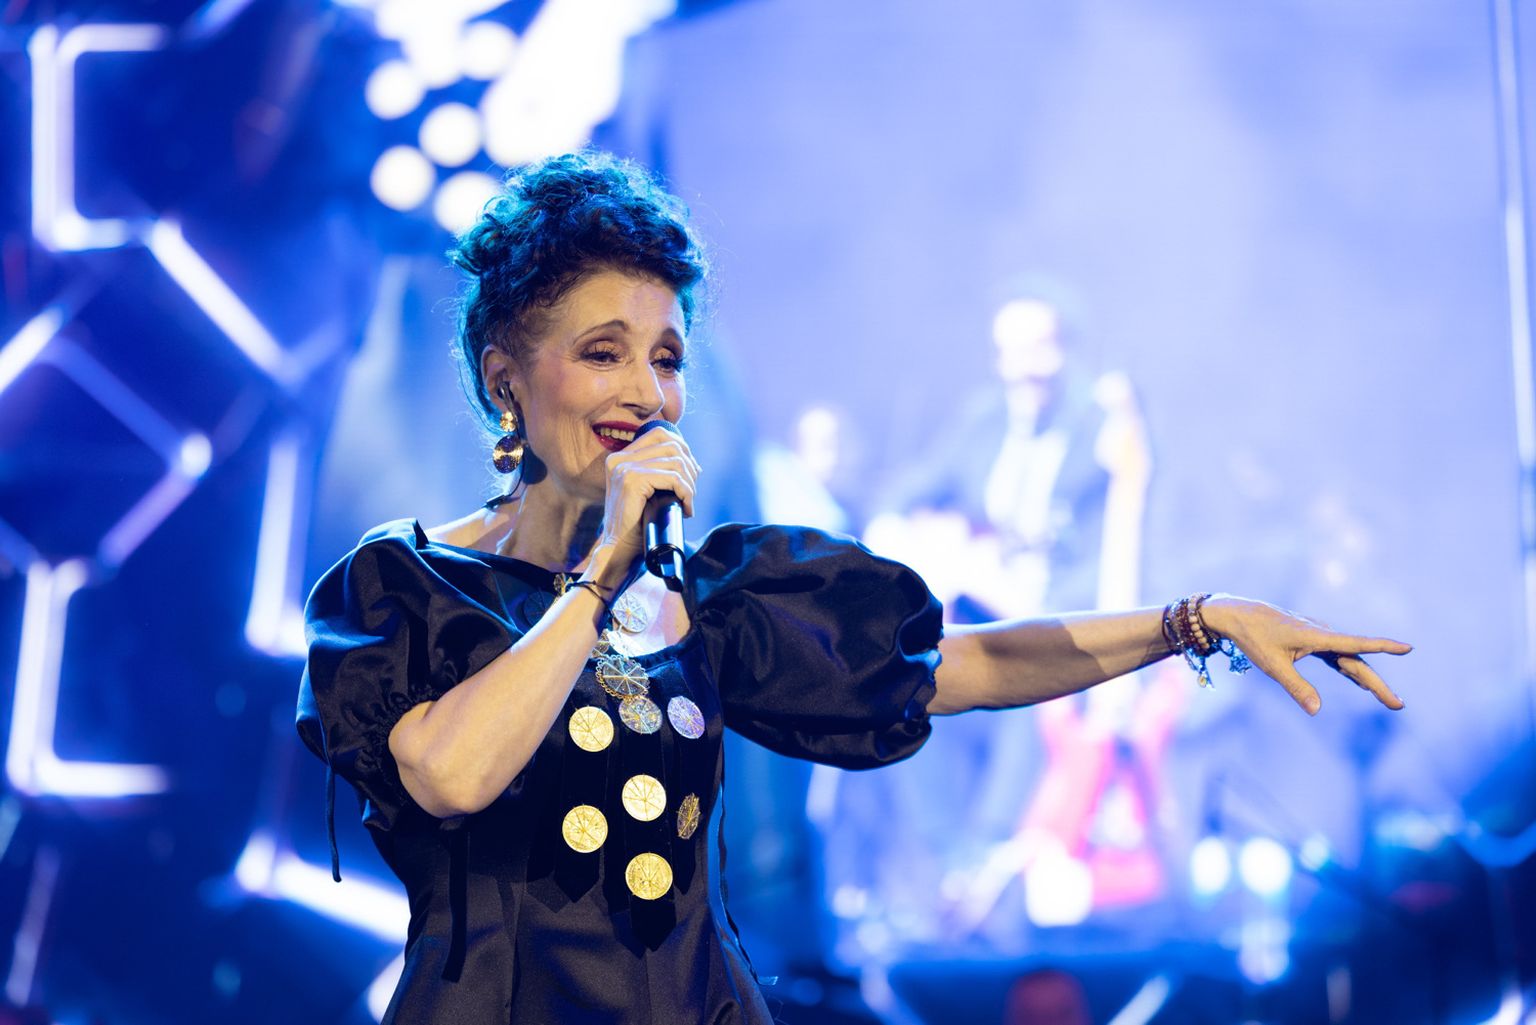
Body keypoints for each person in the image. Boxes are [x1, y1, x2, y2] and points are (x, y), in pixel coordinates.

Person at [295, 150, 1410, 1024]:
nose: (647, 390)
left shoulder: (707, 591)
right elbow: (451, 772)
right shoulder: (407, 585)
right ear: (506, 379)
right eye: (604, 351)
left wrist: (1192, 619)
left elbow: (967, 664)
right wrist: (598, 575)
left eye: (667, 357)